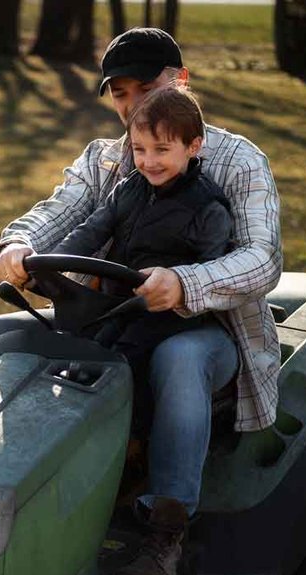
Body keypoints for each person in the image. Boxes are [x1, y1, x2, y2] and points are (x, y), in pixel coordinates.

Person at [0, 27, 283, 575]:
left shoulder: (238, 160)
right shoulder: (105, 161)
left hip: (211, 330)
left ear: (181, 81)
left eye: (146, 89)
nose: (132, 106)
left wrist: (186, 282)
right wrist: (18, 245)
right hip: (114, 313)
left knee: (178, 358)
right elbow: (61, 214)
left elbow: (262, 259)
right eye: (120, 94)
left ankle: (164, 537)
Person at [48, 85, 231, 377]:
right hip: (116, 306)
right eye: (139, 149)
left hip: (165, 316)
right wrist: (52, 263)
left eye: (161, 150)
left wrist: (179, 288)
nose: (148, 161)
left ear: (193, 146)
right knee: (65, 351)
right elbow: (91, 231)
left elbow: (211, 274)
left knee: (114, 365)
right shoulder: (128, 189)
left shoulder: (208, 208)